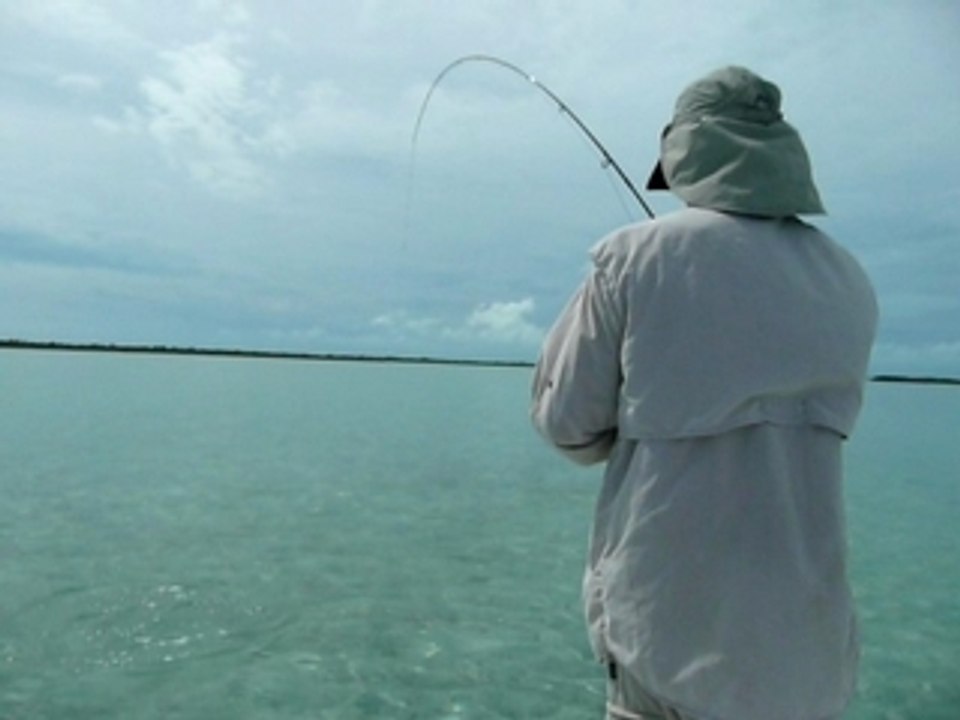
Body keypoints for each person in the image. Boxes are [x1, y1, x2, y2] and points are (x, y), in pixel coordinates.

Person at [530, 66, 877, 720]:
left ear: (685, 151)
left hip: (666, 638)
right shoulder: (849, 278)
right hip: (809, 653)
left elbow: (566, 422)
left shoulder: (633, 256)